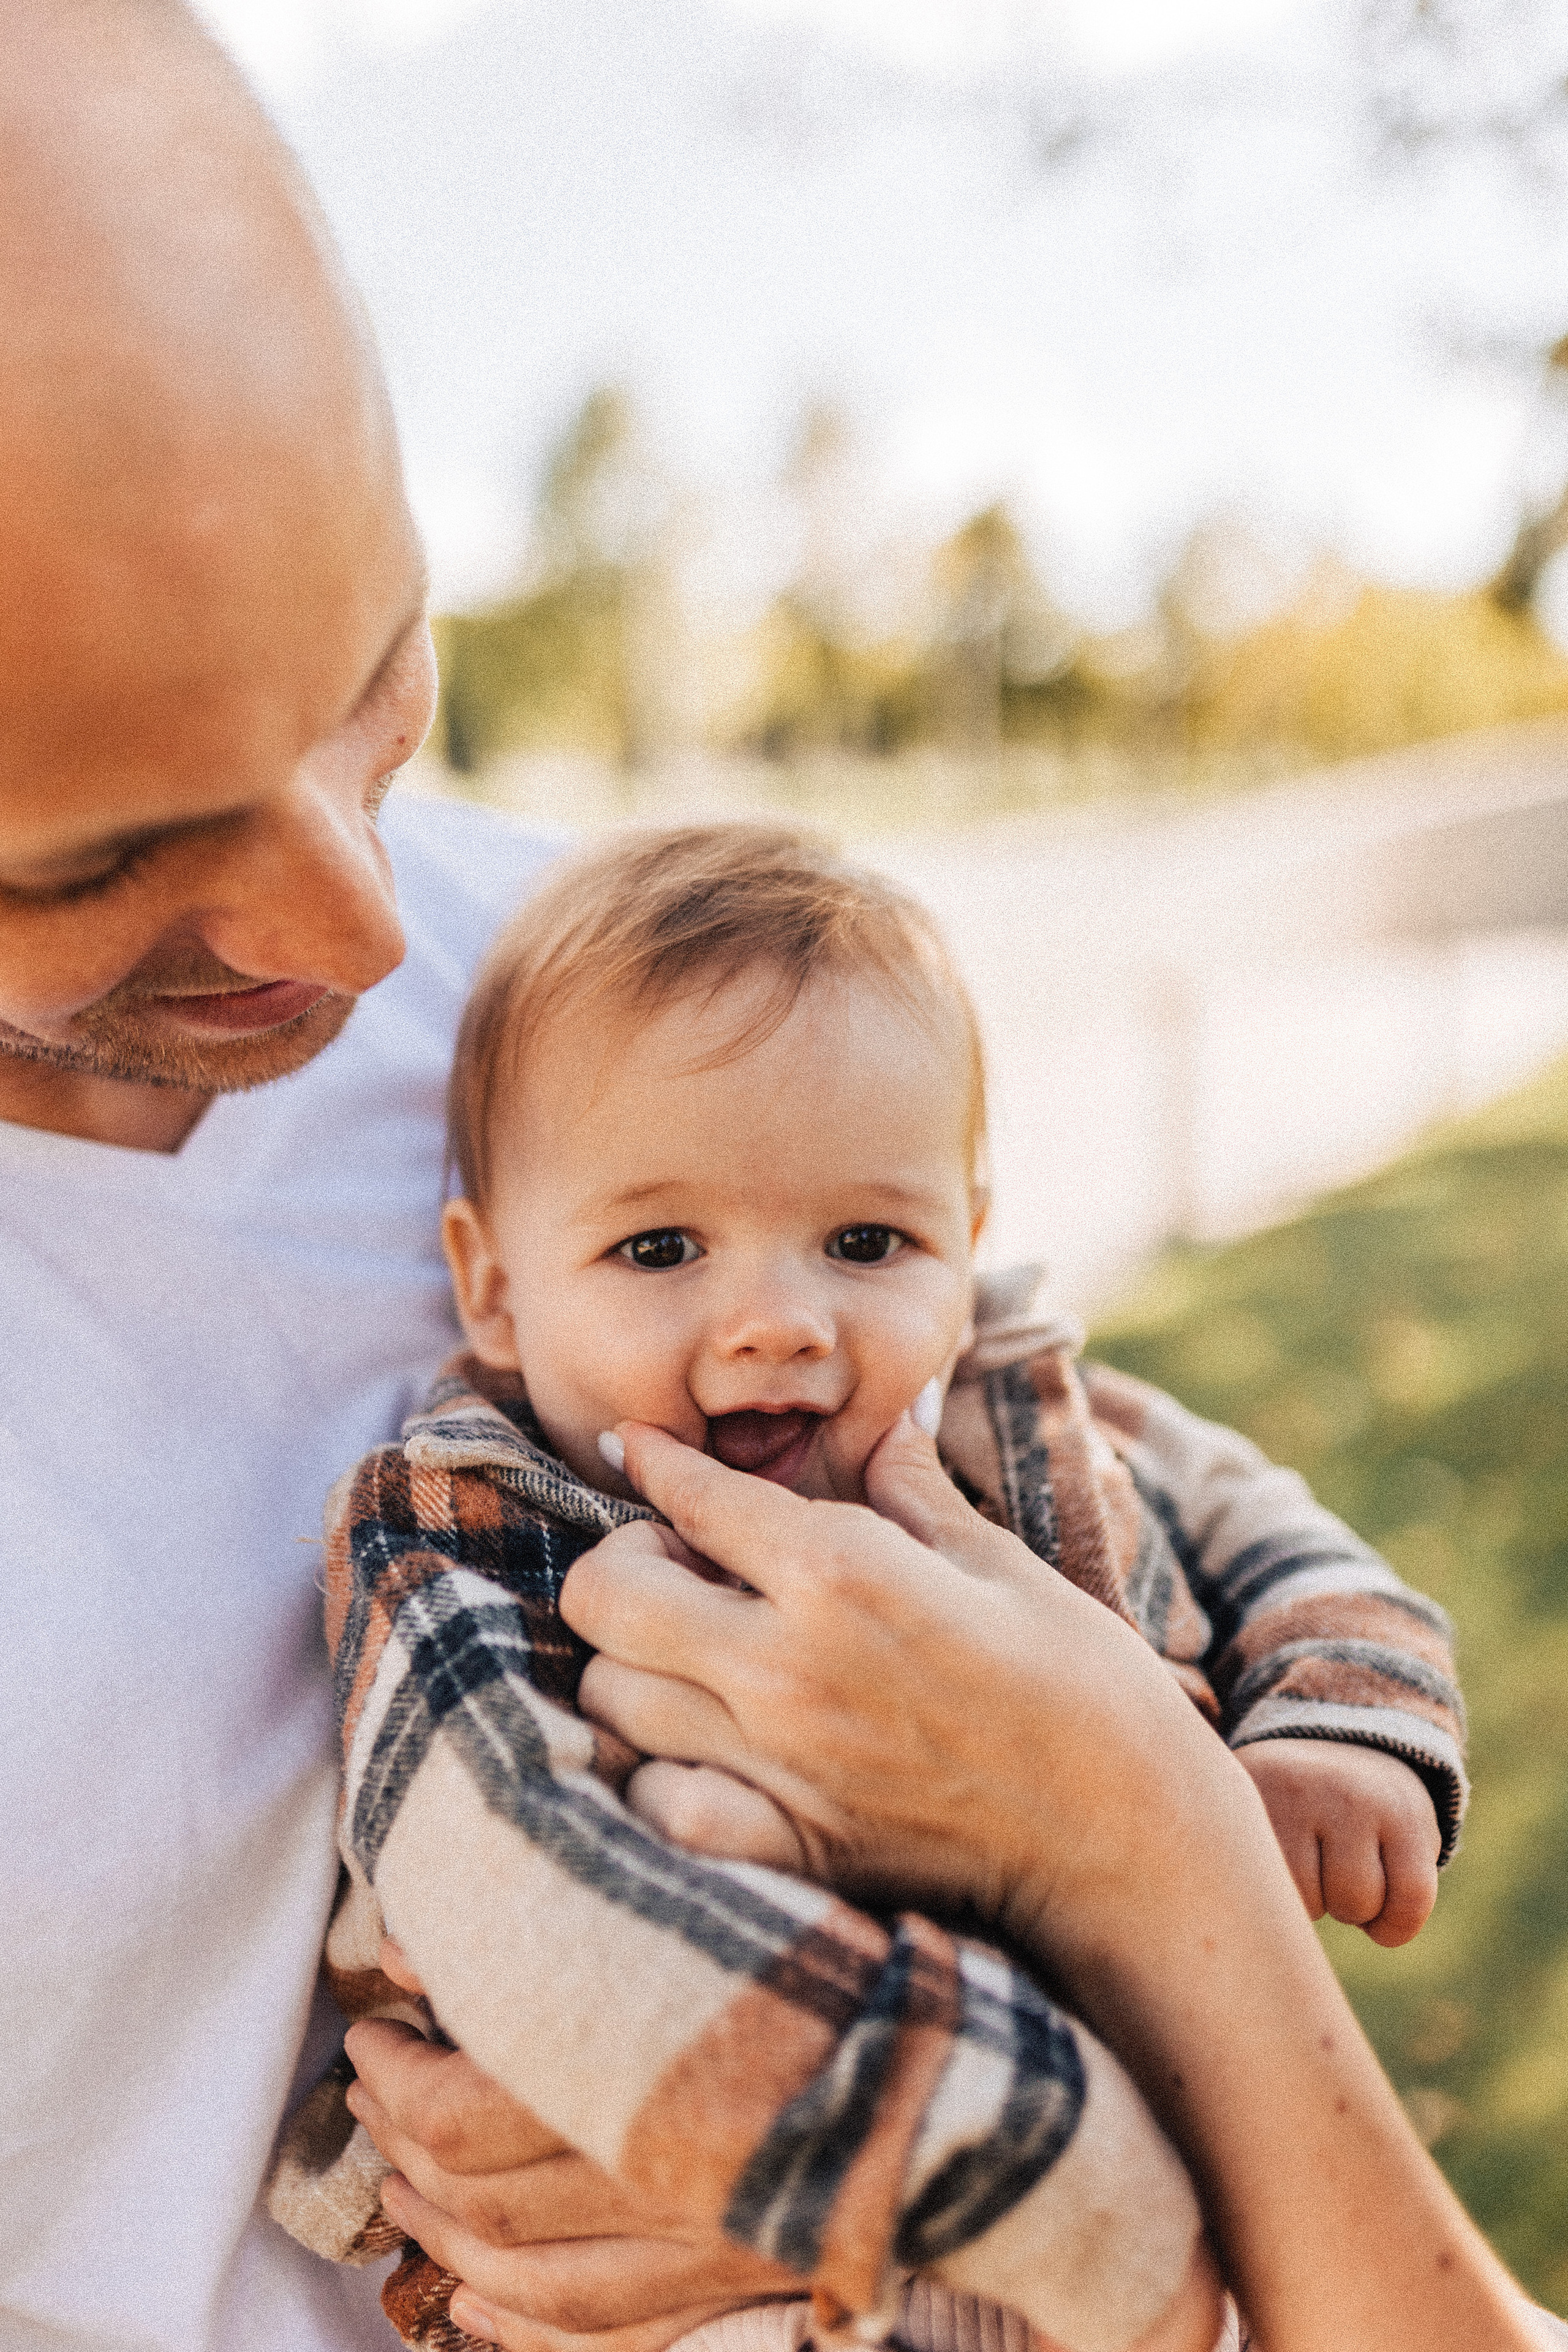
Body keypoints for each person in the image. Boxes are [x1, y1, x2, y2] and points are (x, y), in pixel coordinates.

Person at [277, 824, 1459, 2352]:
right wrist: (1062, 2173)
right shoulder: (465, 1526)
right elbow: (527, 1911)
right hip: (766, 2267)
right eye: (658, 1247)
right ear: (494, 1282)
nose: (775, 1321)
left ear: (965, 1246)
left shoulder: (1005, 1411)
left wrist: (1336, 1725)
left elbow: (1265, 1532)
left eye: (862, 1240)